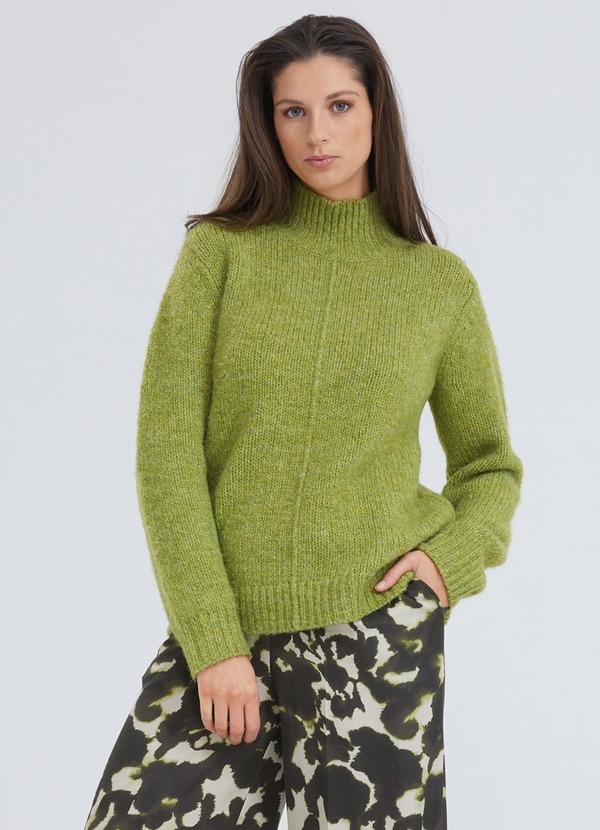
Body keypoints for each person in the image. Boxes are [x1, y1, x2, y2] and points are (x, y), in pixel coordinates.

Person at [82, 13, 523, 830]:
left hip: (377, 637)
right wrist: (213, 640)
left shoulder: (439, 285)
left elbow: (489, 464)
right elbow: (166, 456)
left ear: (377, 112)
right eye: (293, 111)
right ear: (268, 122)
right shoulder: (220, 254)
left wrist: (447, 565)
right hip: (227, 635)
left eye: (340, 105)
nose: (317, 132)